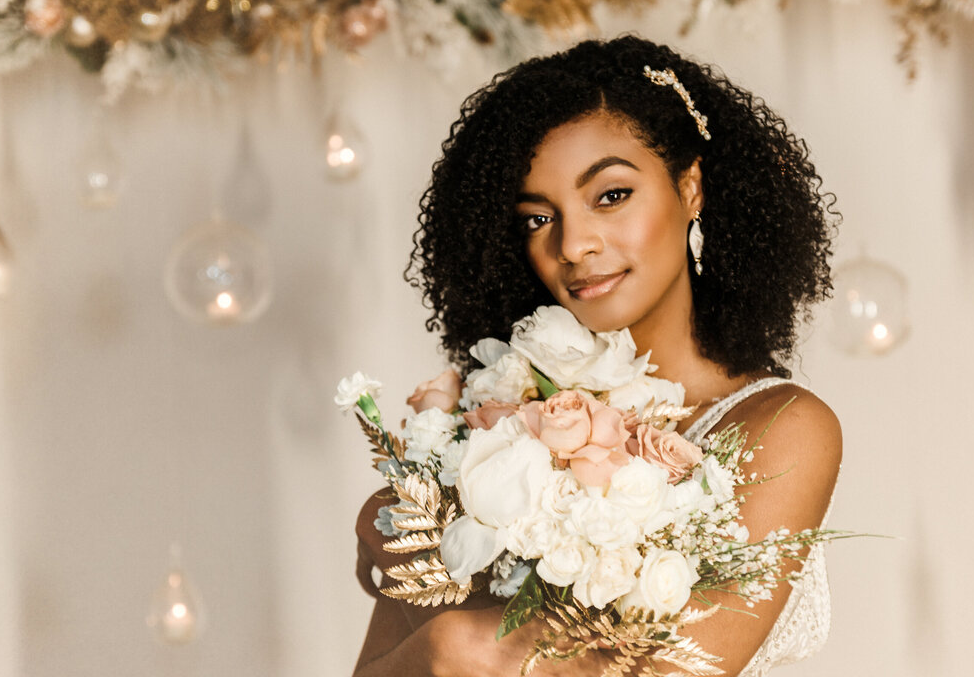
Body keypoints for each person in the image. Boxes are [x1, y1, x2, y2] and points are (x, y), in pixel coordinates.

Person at [351, 35, 843, 677]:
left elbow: (673, 671)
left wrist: (449, 631)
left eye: (610, 195)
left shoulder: (785, 429)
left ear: (690, 187)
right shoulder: (502, 424)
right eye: (536, 218)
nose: (574, 244)